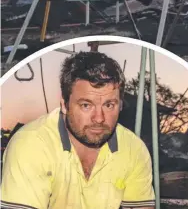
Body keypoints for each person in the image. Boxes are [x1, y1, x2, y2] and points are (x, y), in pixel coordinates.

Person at [1, 51, 156, 209]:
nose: (99, 118)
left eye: (109, 105)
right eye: (86, 105)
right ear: (64, 105)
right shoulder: (31, 145)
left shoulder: (133, 149)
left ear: (120, 105)